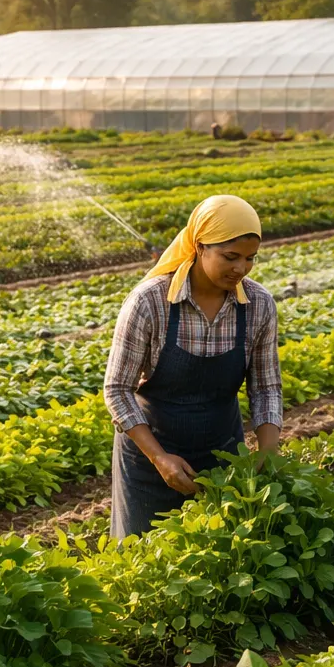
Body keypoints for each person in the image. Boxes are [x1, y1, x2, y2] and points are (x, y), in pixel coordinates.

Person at [104, 194, 282, 539]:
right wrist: (159, 459)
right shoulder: (151, 302)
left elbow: (266, 387)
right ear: (199, 246)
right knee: (143, 559)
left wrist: (269, 451)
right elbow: (117, 390)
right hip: (150, 457)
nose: (240, 269)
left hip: (222, 453)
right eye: (230, 257)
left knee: (219, 557)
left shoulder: (258, 304)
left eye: (250, 259)